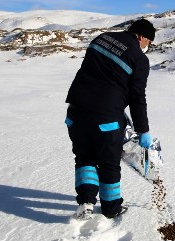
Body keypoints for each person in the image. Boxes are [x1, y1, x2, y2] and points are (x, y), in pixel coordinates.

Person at [65, 18, 155, 219]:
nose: (147, 47)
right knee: (109, 163)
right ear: (142, 36)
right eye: (148, 42)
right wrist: (143, 130)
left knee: (84, 157)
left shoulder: (101, 39)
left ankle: (86, 203)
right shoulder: (140, 59)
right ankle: (111, 208)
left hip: (75, 112)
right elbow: (137, 97)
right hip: (106, 118)